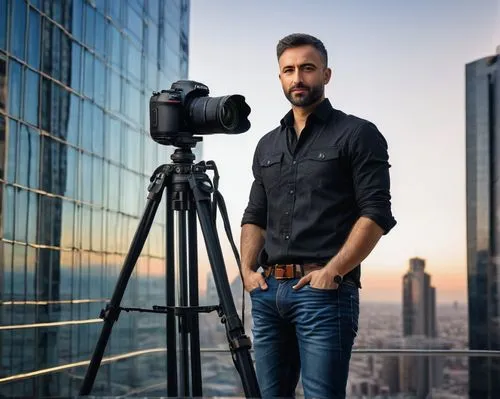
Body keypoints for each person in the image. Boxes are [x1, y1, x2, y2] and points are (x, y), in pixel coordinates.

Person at [240, 33, 397, 398]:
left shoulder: (358, 134)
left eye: (307, 68)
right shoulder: (267, 144)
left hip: (323, 294)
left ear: (326, 75)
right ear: (280, 78)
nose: (298, 78)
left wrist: (333, 272)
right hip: (266, 294)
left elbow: (376, 213)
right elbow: (255, 215)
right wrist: (247, 271)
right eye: (288, 70)